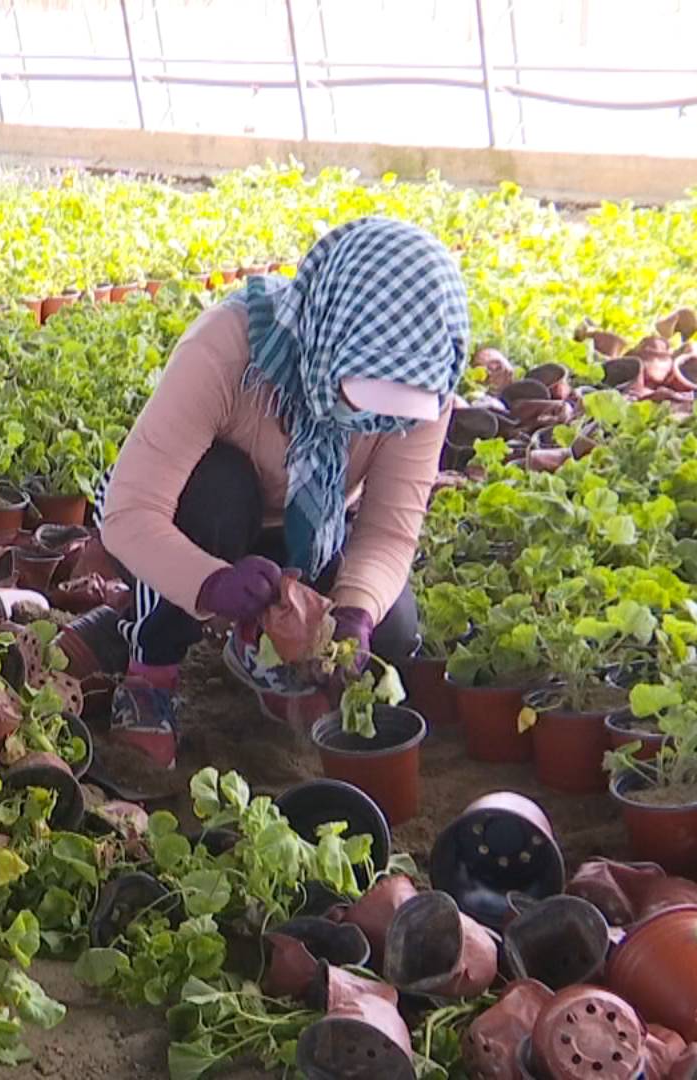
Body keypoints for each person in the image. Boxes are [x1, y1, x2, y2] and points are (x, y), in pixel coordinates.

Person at [99, 217, 468, 767]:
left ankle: (258, 648)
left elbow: (389, 533)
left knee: (393, 630)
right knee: (221, 491)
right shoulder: (226, 349)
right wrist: (212, 583)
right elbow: (129, 513)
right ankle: (150, 667)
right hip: (205, 521)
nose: (376, 419)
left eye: (398, 406)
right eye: (367, 393)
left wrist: (354, 616)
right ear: (332, 336)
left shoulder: (426, 390)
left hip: (311, 532)